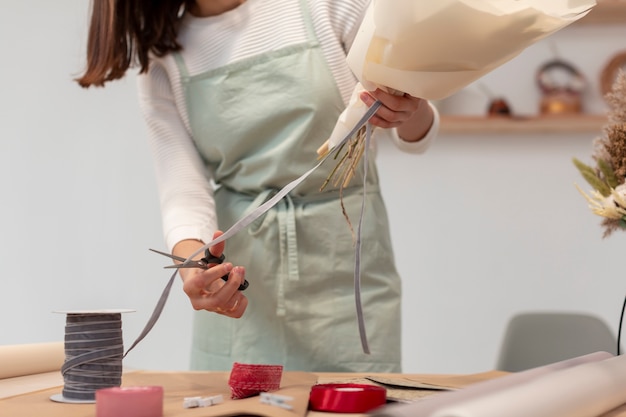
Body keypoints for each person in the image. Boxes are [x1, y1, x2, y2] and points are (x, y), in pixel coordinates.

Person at [77, 0, 439, 372]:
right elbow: (183, 193)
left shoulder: (332, 6)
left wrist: (410, 109)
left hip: (346, 272)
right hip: (241, 284)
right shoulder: (163, 59)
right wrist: (196, 273)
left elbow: (417, 132)